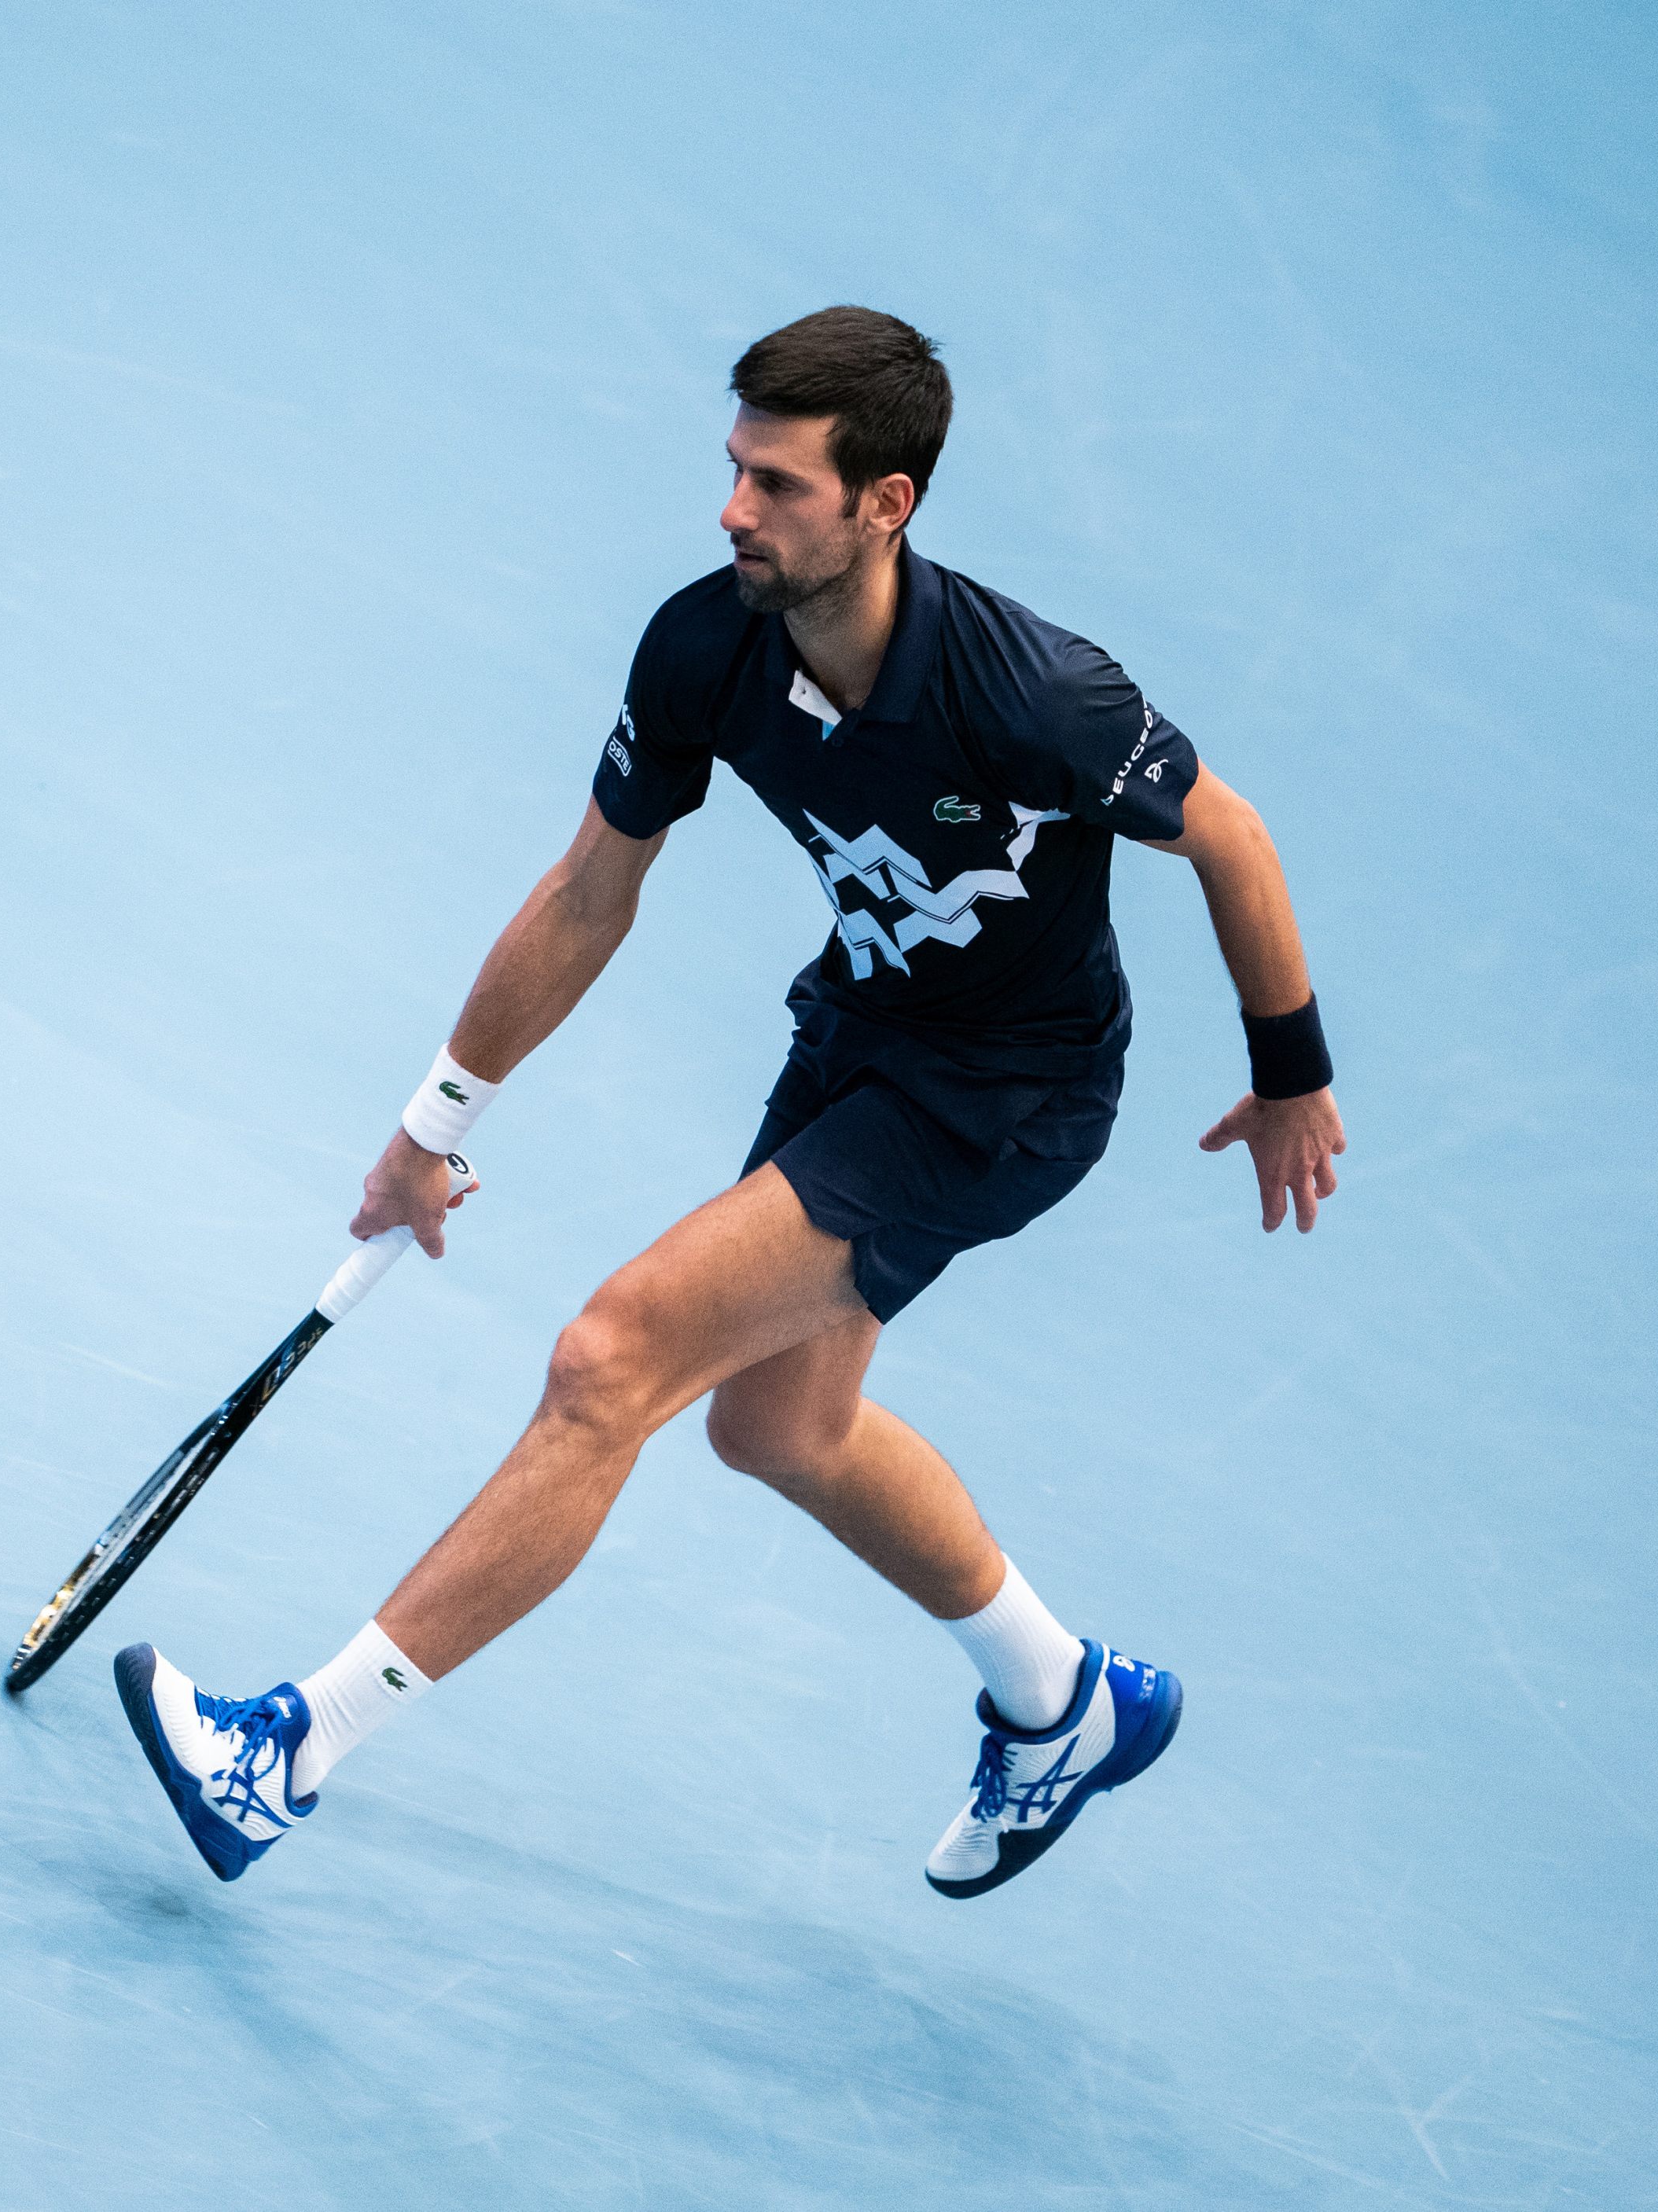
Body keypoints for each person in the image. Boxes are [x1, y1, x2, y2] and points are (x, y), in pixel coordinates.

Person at [113, 305, 1347, 1899]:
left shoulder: (1033, 692)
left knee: (610, 1357)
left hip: (1004, 1097)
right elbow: (584, 897)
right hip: (861, 1038)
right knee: (778, 1424)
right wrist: (433, 1125)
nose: (732, 510)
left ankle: (285, 1754)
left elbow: (1230, 837)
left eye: (776, 484)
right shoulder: (706, 647)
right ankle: (1067, 1702)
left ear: (883, 504)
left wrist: (1288, 1079)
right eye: (733, 470)